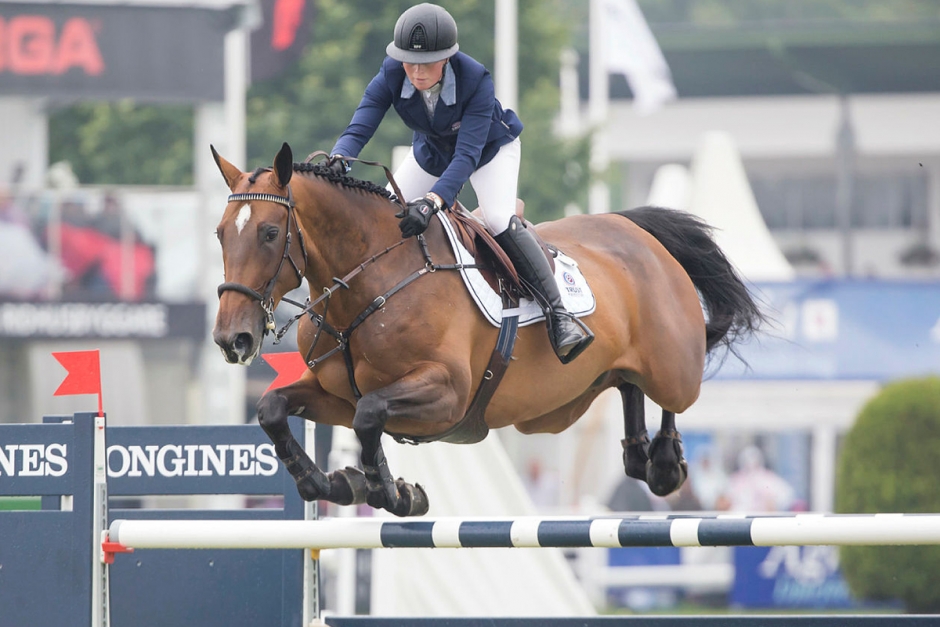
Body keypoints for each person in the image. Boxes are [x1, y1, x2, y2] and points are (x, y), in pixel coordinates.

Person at [328, 3, 592, 363]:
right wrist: (340, 156)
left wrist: (434, 200)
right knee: (387, 218)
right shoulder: (392, 71)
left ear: (447, 59)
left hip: (489, 152)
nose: (416, 72)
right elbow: (365, 118)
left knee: (498, 219)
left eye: (426, 63)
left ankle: (559, 314)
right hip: (431, 152)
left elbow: (466, 157)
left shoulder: (475, 79)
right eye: (409, 62)